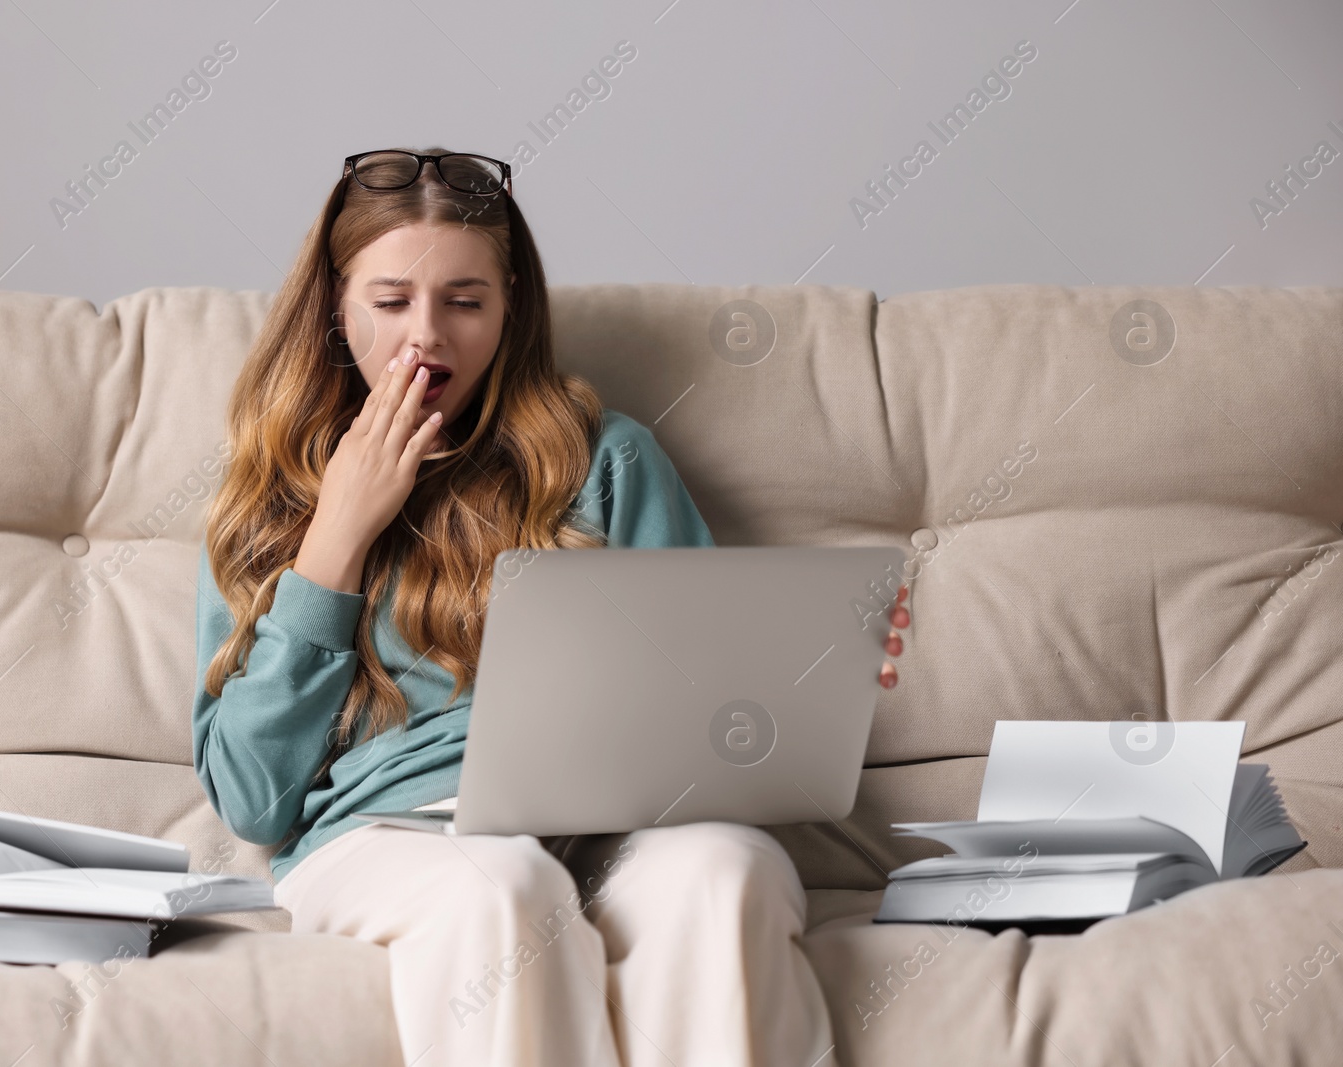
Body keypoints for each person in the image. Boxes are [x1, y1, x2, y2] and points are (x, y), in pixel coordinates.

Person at [191, 146, 911, 1067]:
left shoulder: (605, 459)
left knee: (726, 871)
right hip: (391, 839)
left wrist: (805, 674)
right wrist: (337, 539)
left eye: (465, 301)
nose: (428, 338)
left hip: (609, 827)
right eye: (390, 302)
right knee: (505, 887)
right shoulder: (270, 490)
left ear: (510, 307)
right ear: (335, 307)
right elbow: (254, 800)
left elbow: (718, 724)